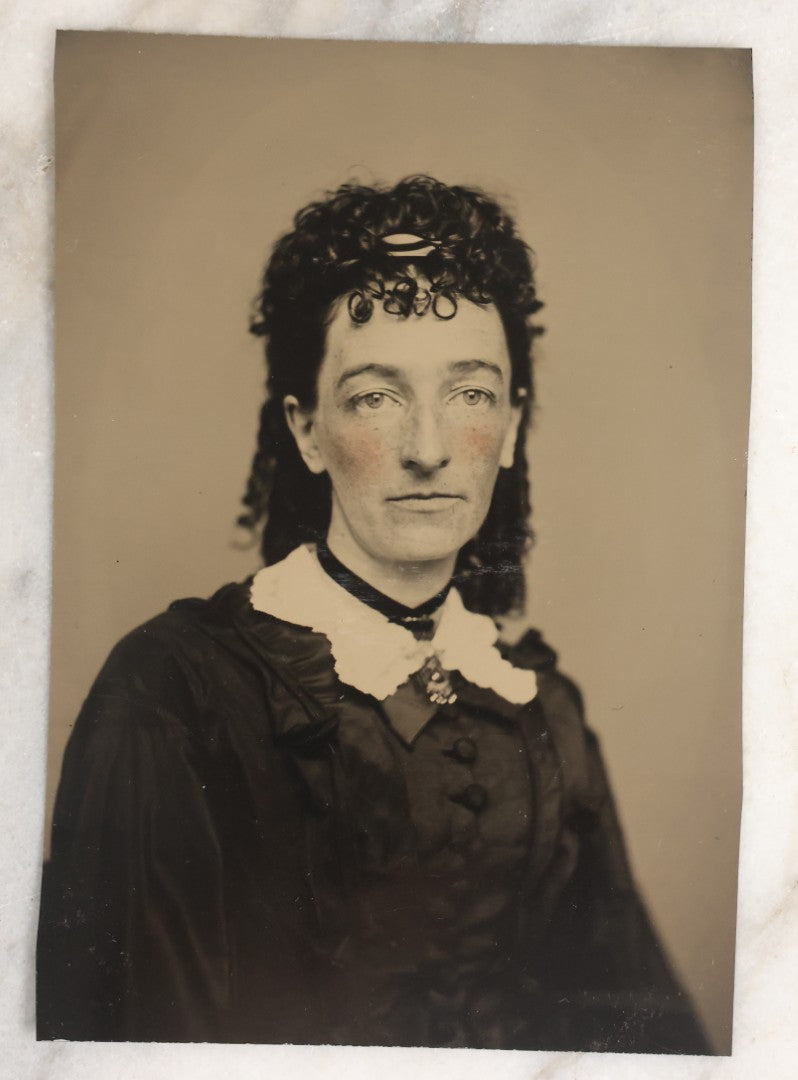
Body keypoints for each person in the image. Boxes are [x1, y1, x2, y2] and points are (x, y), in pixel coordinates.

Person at [37, 176, 709, 1052]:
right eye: (375, 397)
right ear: (307, 429)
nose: (428, 448)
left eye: (469, 394)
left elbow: (641, 1034)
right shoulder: (177, 692)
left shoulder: (547, 713)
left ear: (510, 428)